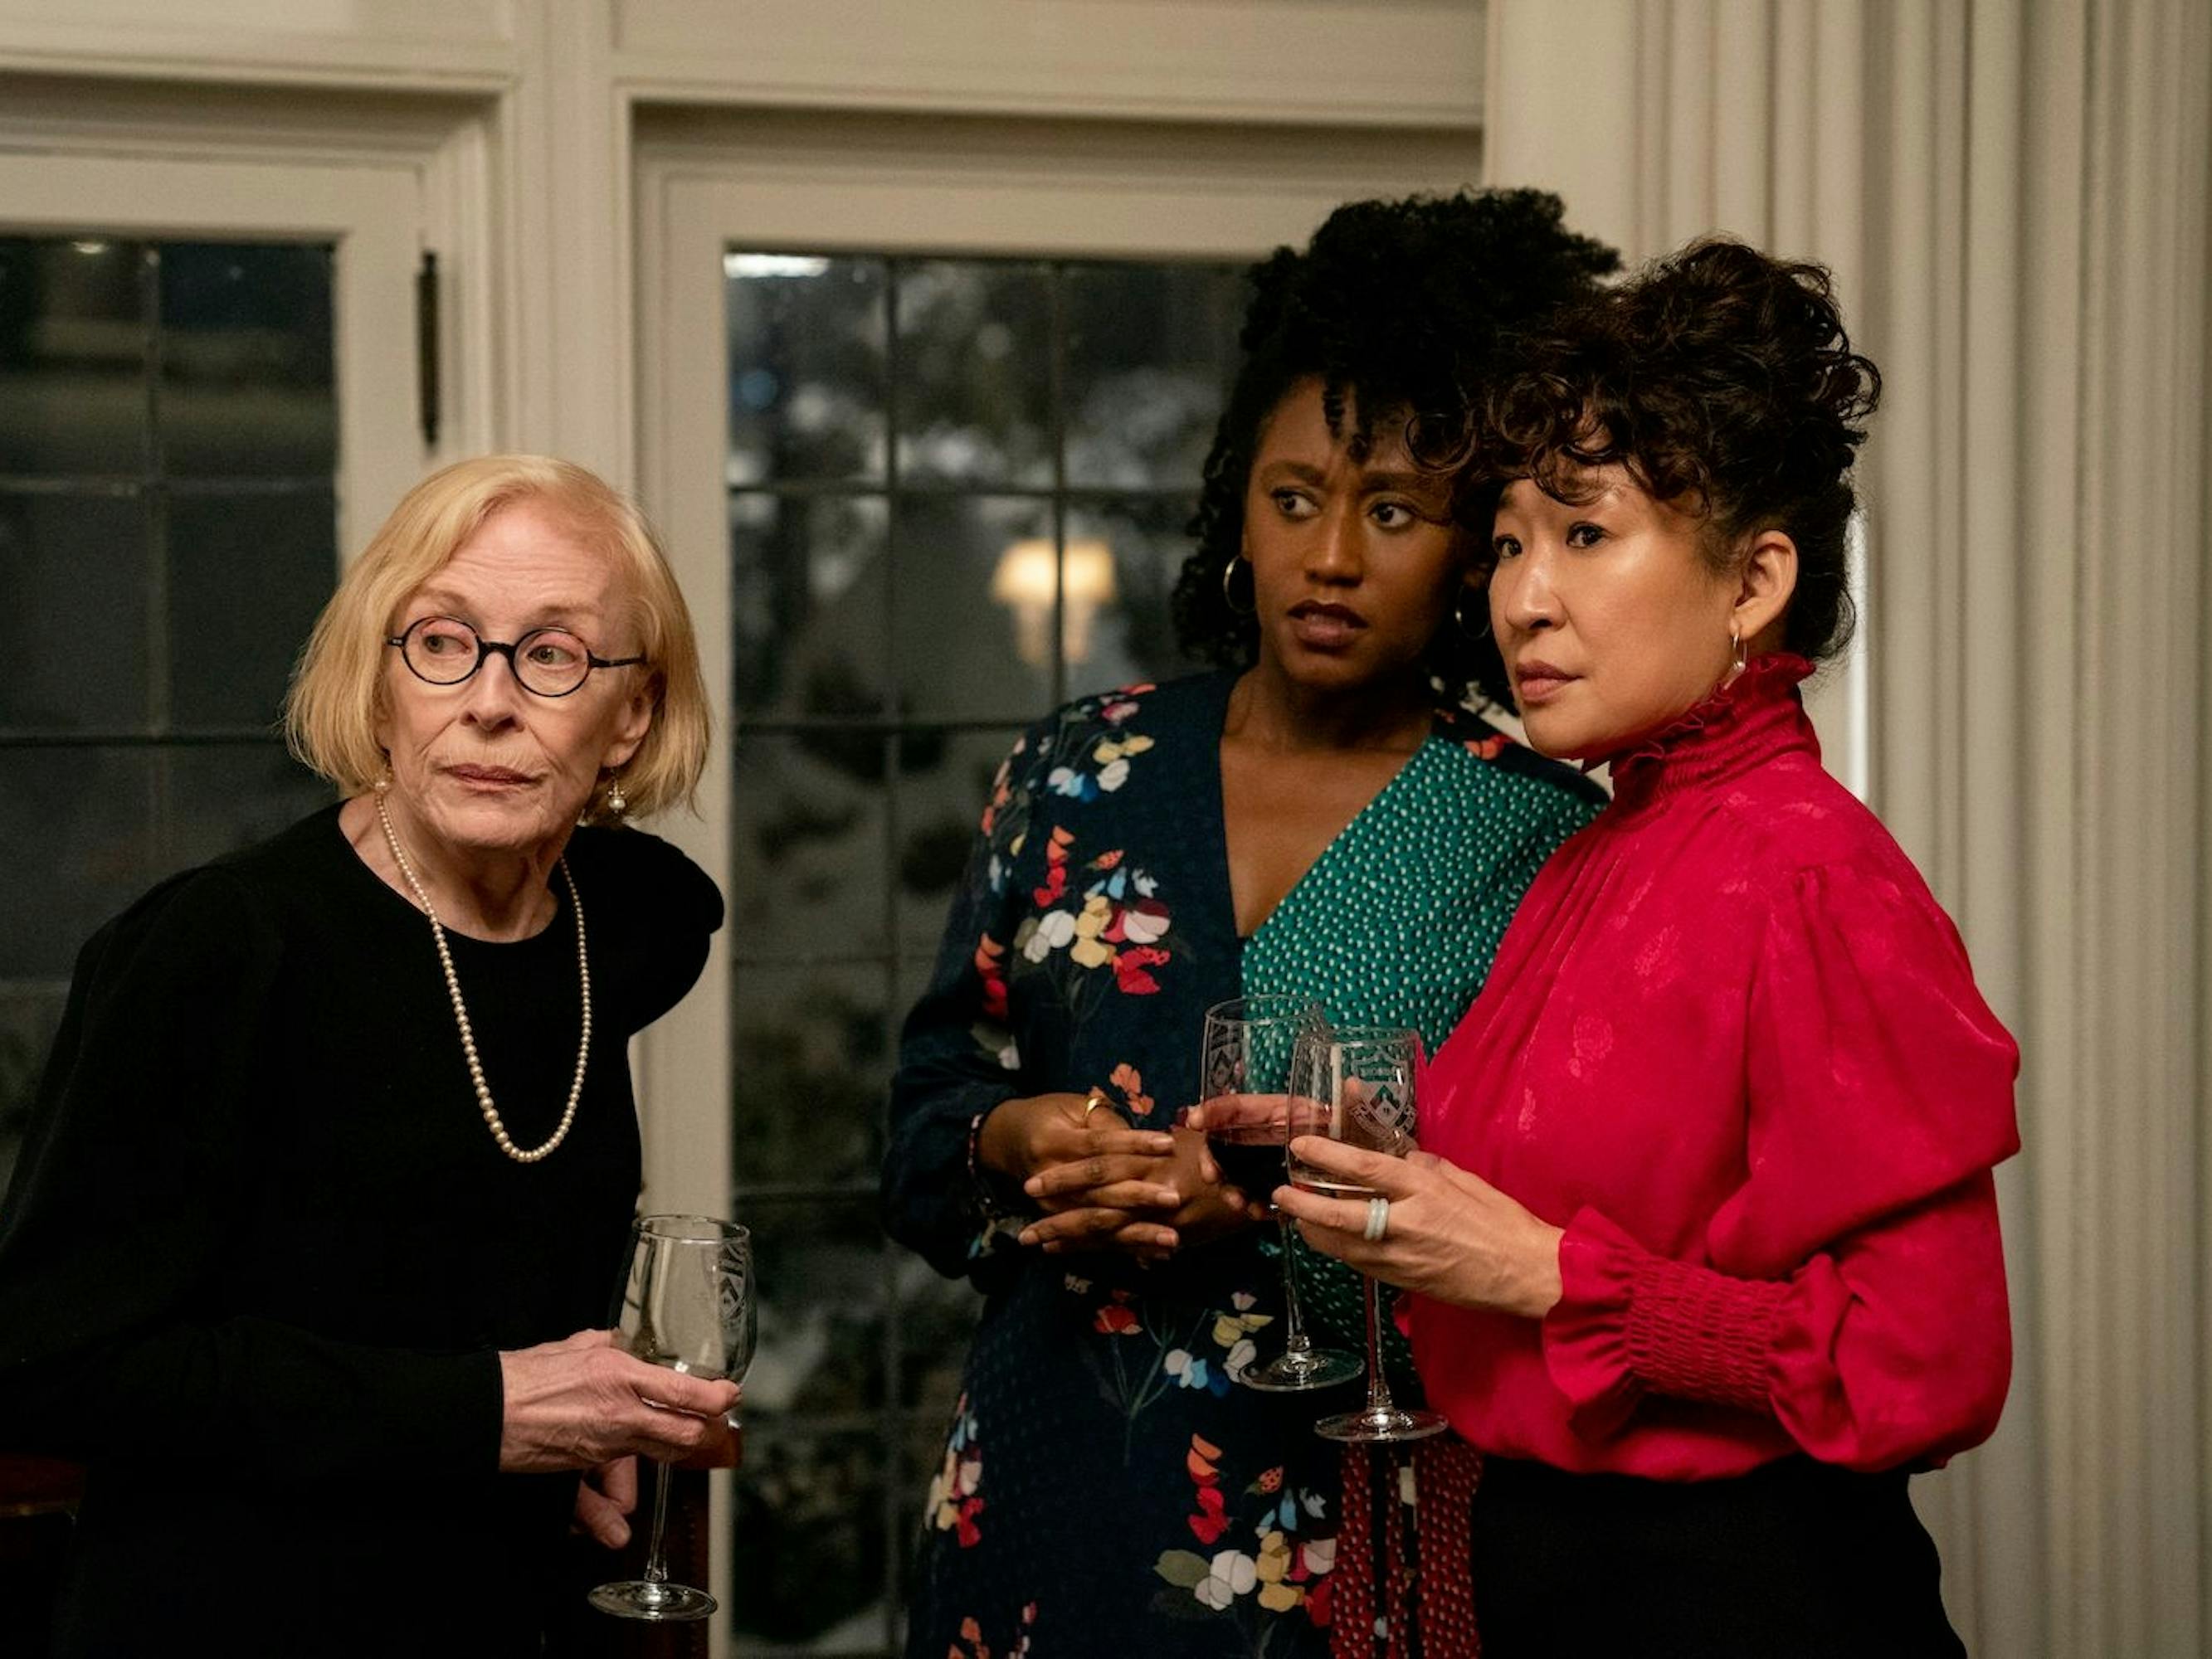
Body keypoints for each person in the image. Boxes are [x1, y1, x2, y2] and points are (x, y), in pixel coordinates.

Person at [883, 190, 1616, 1659]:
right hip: (1041, 1486)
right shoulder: (1079, 770)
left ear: (1474, 547)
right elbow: (925, 1108)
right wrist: (1009, 1140)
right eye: (1294, 499)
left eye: (1393, 512)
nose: (1330, 554)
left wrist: (1272, 1210)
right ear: (1238, 505)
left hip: (1337, 1518)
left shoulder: (1539, 834)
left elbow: (1547, 1234)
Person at [1276, 239, 2020, 1657]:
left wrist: (1551, 1275)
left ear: (1753, 582)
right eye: (1505, 540)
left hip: (1741, 1594)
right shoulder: (1591, 848)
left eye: (1584, 534)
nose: (1519, 598)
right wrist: (1397, 1171)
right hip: (1550, 1573)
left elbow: (1925, 1368)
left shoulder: (1806, 870)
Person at [0, 455, 736, 1654]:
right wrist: (488, 1412)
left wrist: (588, 1423)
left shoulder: (637, 924)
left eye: (552, 655)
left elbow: (465, 1220)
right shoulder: (218, 950)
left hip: (516, 1609)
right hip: (234, 1617)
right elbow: (48, 1359)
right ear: (381, 680)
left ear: (632, 716)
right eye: (442, 642)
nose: (490, 701)